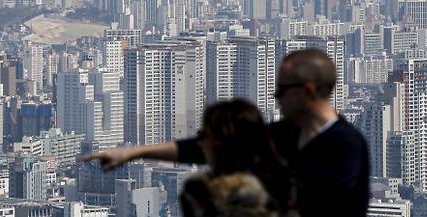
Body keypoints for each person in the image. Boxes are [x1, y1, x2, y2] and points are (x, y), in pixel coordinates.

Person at [84, 49, 369, 217]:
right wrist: (136, 152)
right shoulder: (284, 134)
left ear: (307, 92)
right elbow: (210, 147)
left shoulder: (345, 145)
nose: (276, 96)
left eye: (282, 90)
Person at [179, 99, 295, 217]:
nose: (200, 143)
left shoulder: (201, 194)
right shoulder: (291, 188)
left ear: (219, 141)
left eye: (203, 135)